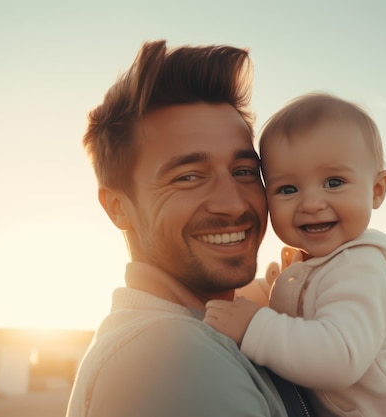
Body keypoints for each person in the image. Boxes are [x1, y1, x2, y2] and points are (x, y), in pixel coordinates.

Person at [66, 40, 315, 417]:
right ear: (118, 207)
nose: (233, 203)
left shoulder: (208, 331)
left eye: (244, 171)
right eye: (188, 177)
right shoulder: (170, 355)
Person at [205, 93, 386, 417]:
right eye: (287, 189)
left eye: (334, 182)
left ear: (377, 190)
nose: (311, 203)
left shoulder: (361, 267)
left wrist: (256, 326)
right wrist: (275, 293)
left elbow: (339, 356)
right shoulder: (321, 264)